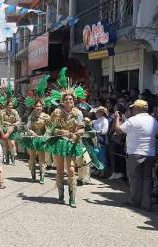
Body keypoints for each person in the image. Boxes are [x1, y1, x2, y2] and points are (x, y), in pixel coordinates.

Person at [43, 69, 87, 208]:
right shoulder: (57, 113)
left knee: (72, 170)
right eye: (67, 99)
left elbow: (82, 128)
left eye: (71, 99)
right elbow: (51, 128)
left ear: (74, 101)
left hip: (72, 143)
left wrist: (75, 134)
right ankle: (61, 195)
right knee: (60, 170)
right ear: (63, 101)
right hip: (60, 143)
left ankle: (72, 197)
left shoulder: (78, 113)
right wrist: (60, 131)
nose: (69, 101)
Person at [114, 99, 157, 211]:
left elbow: (118, 131)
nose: (131, 110)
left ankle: (135, 201)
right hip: (150, 153)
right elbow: (157, 134)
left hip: (135, 153)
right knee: (147, 179)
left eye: (133, 108)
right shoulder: (153, 120)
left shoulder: (133, 120)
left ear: (138, 109)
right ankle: (146, 203)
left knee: (135, 179)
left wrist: (117, 119)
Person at [0, 80, 21, 164]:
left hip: (12, 130)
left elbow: (18, 121)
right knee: (5, 145)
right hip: (3, 130)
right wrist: (3, 126)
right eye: (9, 105)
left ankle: (13, 157)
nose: (11, 107)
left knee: (12, 143)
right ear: (6, 106)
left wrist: (12, 125)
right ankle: (6, 158)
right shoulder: (1, 112)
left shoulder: (15, 112)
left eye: (11, 106)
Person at [92, 106, 110, 178]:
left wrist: (96, 132)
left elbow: (104, 131)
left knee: (101, 156)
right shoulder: (96, 120)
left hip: (101, 139)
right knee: (96, 155)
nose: (96, 113)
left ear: (101, 113)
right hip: (94, 139)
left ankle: (102, 172)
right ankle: (98, 170)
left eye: (97, 112)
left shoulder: (105, 120)